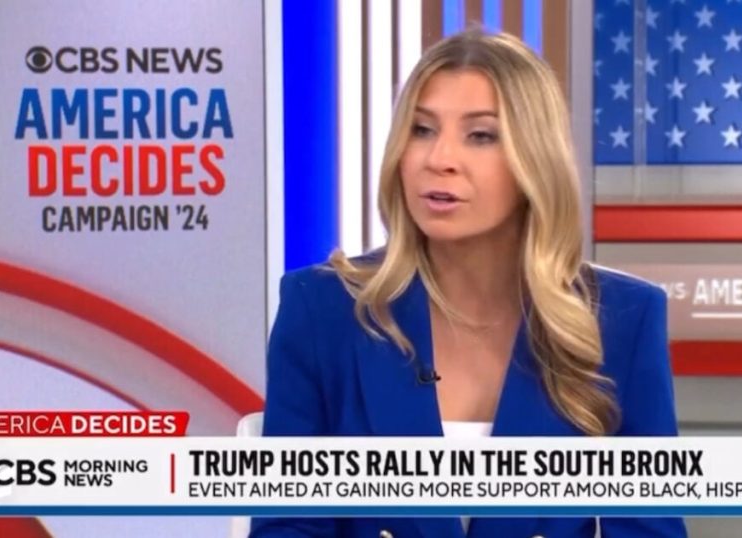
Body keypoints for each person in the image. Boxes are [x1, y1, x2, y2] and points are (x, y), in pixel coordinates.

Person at [251, 28, 686, 538]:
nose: (439, 159)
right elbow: (287, 527)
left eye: (480, 135)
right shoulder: (322, 311)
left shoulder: (622, 319)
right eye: (421, 129)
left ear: (535, 159)